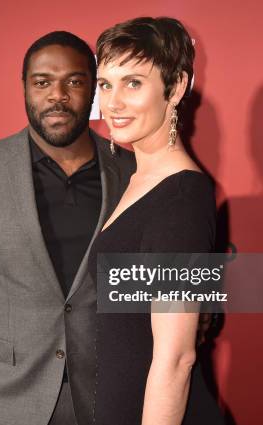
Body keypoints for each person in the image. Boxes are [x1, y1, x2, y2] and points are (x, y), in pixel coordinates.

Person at [0, 31, 135, 425]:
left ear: (93, 89)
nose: (57, 96)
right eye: (42, 82)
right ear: (24, 87)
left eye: (74, 82)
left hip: (112, 396)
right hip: (11, 396)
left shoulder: (131, 171)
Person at [89, 17, 224, 424]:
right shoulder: (135, 178)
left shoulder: (181, 197)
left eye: (133, 83)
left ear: (177, 86)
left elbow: (177, 358)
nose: (113, 103)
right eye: (106, 84)